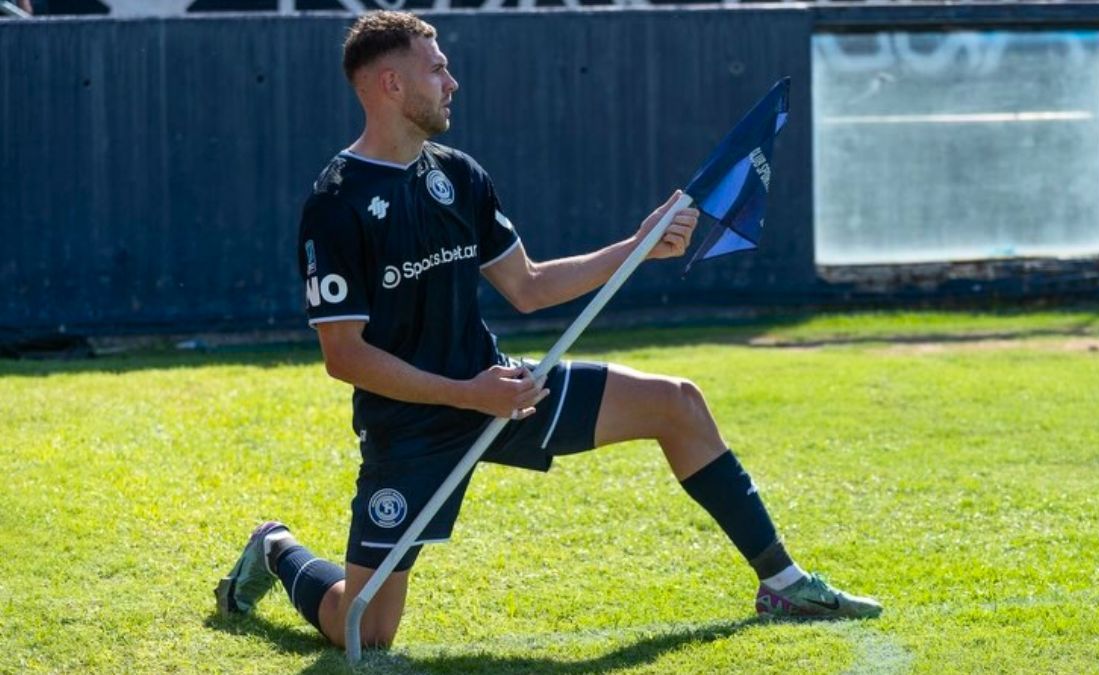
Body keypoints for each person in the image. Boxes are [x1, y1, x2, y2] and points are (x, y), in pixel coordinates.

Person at [214, 10, 881, 650]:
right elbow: (345, 356)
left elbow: (528, 286)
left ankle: (783, 584)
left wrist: (638, 248)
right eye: (437, 69)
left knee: (678, 403)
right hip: (411, 427)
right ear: (391, 83)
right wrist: (467, 394)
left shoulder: (458, 175)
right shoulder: (336, 203)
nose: (452, 81)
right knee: (364, 631)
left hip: (505, 394)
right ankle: (275, 548)